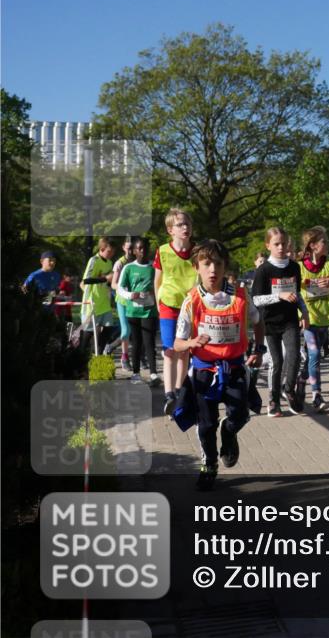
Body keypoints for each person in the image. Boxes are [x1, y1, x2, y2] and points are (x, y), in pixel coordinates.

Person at [171, 239, 264, 490]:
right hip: (203, 371)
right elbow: (177, 344)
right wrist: (191, 342)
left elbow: (257, 321)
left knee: (240, 415)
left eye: (218, 264)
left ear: (225, 267)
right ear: (196, 267)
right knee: (206, 424)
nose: (213, 270)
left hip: (234, 368)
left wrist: (259, 348)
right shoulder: (191, 301)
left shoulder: (241, 296)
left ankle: (230, 432)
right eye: (207, 264)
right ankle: (209, 464)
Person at [252, 227, 308, 417]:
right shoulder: (263, 270)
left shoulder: (294, 267)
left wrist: (305, 313)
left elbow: (297, 294)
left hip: (290, 320)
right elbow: (257, 299)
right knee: (277, 362)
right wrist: (279, 295)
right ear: (268, 245)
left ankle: (289, 390)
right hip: (268, 322)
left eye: (284, 243)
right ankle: (273, 401)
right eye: (276, 244)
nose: (281, 247)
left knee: (295, 355)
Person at [155, 209, 197, 414]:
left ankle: (180, 392)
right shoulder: (162, 251)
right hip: (168, 305)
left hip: (189, 307)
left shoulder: (198, 251)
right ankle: (169, 394)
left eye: (188, 224)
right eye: (181, 225)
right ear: (170, 230)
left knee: (184, 350)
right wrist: (158, 304)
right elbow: (157, 281)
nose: (186, 228)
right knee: (169, 350)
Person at [299, 226, 329, 411]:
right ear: (313, 246)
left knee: (314, 356)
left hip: (325, 317)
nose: (328, 244)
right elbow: (293, 288)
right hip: (308, 317)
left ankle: (301, 379)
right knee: (315, 353)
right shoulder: (300, 265)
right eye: (324, 241)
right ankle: (317, 395)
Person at [117, 237, 158, 383]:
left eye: (145, 248)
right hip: (133, 311)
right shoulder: (128, 268)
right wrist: (130, 295)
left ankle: (153, 374)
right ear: (134, 251)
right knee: (136, 343)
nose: (143, 251)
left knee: (149, 342)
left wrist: (155, 294)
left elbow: (160, 285)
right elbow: (119, 288)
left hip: (149, 310)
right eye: (139, 248)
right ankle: (136, 373)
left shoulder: (154, 267)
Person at [81, 237, 118, 354]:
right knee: (88, 333)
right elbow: (86, 280)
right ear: (102, 248)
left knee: (109, 328)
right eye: (109, 251)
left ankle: (98, 353)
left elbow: (106, 281)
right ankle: (79, 356)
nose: (111, 254)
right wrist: (105, 278)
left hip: (104, 303)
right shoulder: (94, 260)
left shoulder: (110, 262)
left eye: (113, 252)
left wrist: (109, 280)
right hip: (92, 303)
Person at [109, 238, 135, 370]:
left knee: (134, 331)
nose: (130, 250)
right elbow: (113, 284)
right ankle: (120, 353)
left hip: (135, 301)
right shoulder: (120, 263)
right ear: (123, 248)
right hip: (123, 301)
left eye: (132, 247)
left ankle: (131, 356)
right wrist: (124, 290)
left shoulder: (137, 262)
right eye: (128, 247)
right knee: (126, 330)